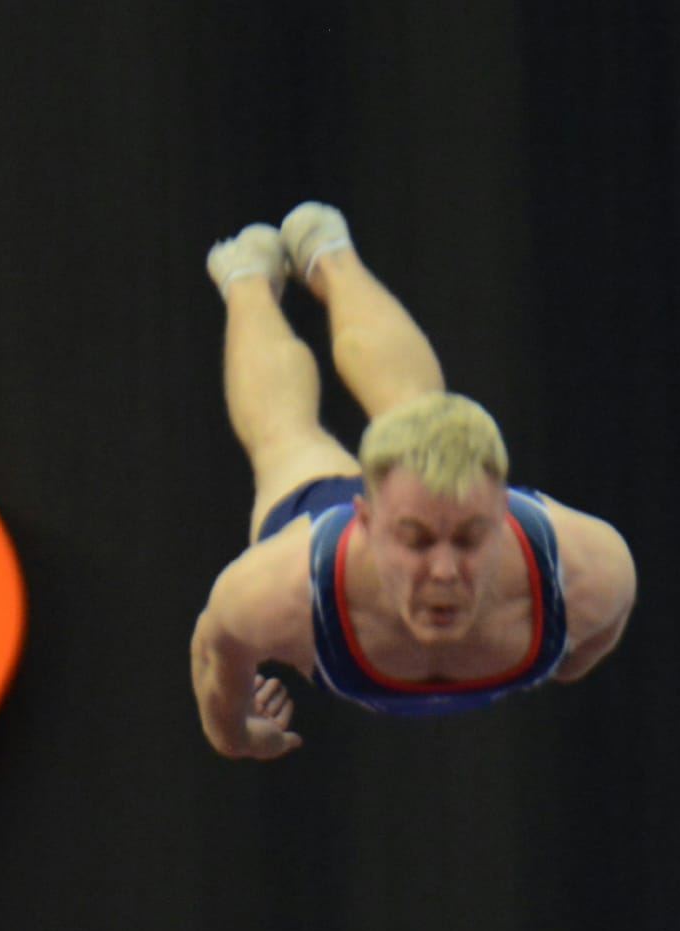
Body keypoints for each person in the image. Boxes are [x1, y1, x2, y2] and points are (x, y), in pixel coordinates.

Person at [190, 202, 636, 760]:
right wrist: (235, 734)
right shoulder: (277, 591)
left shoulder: (592, 575)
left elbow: (579, 658)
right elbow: (213, 648)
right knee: (286, 442)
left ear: (501, 516)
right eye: (417, 540)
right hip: (332, 566)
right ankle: (248, 278)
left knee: (425, 417)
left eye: (470, 539)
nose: (444, 571)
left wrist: (552, 654)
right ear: (367, 519)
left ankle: (330, 255)